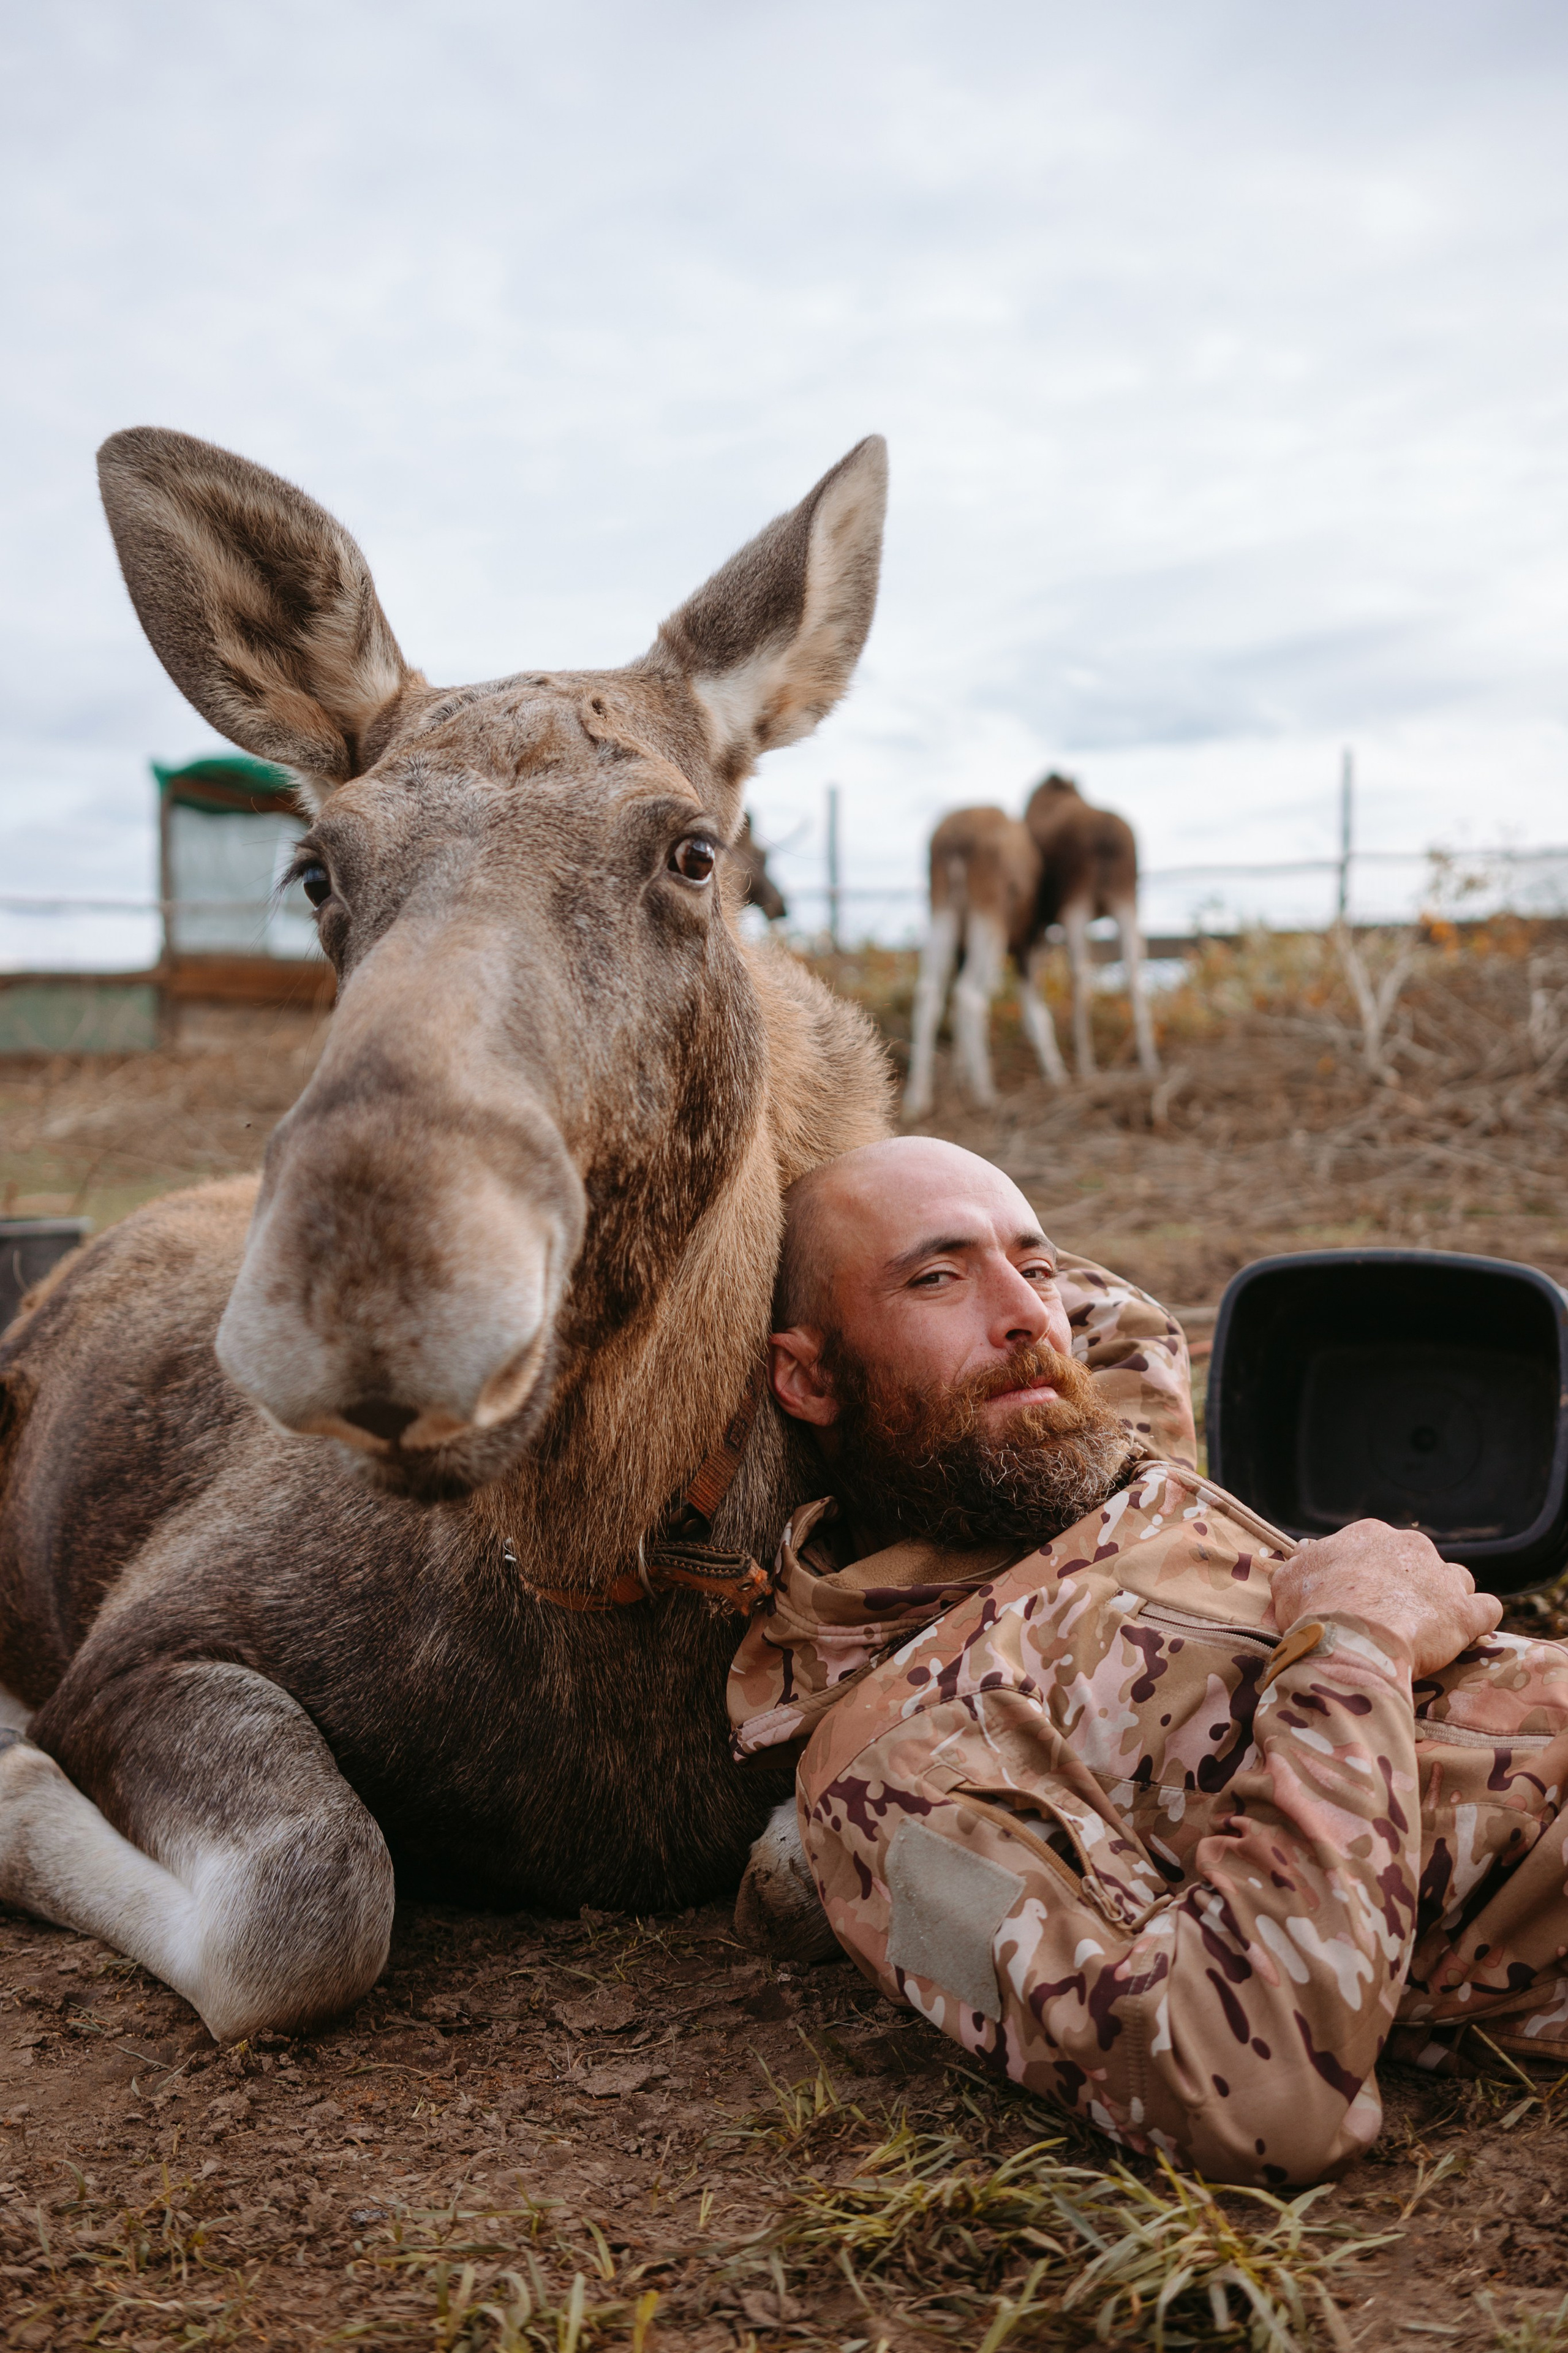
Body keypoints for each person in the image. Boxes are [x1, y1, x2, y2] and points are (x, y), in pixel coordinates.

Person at [728, 1136, 1568, 2186]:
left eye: (1033, 1268)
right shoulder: (892, 1768)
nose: (1030, 1314)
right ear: (805, 1375)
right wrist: (1357, 1641)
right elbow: (1245, 2093)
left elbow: (1108, 1315)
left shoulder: (1089, 1455)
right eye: (936, 1277)